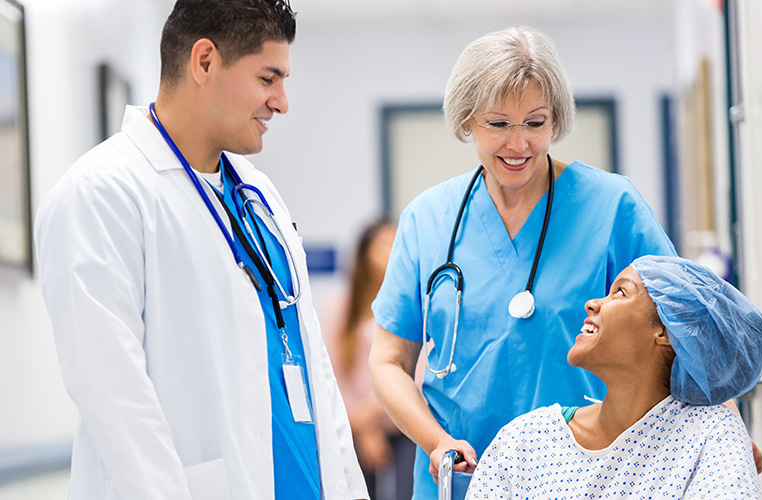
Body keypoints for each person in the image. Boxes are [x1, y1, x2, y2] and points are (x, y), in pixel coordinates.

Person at [34, 1, 367, 499]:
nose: (281, 101)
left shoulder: (259, 196)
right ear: (205, 61)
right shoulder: (102, 194)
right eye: (268, 78)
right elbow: (117, 403)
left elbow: (315, 368)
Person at [368, 26, 680, 499]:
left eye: (535, 123)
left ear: (555, 120)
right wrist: (436, 443)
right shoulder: (427, 219)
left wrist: (724, 425)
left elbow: (687, 321)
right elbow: (389, 360)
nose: (519, 145)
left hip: (584, 475)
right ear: (467, 120)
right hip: (459, 479)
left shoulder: (611, 206)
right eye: (498, 124)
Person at [467, 255, 762, 498]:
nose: (593, 303)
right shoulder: (524, 441)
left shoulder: (710, 436)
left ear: (666, 331)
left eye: (621, 292)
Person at [323, 219, 416, 500]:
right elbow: (330, 373)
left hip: (405, 422)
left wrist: (375, 414)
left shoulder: (414, 305)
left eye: (397, 243)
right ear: (365, 253)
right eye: (384, 244)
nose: (392, 251)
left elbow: (420, 374)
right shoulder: (337, 309)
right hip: (351, 425)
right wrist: (361, 425)